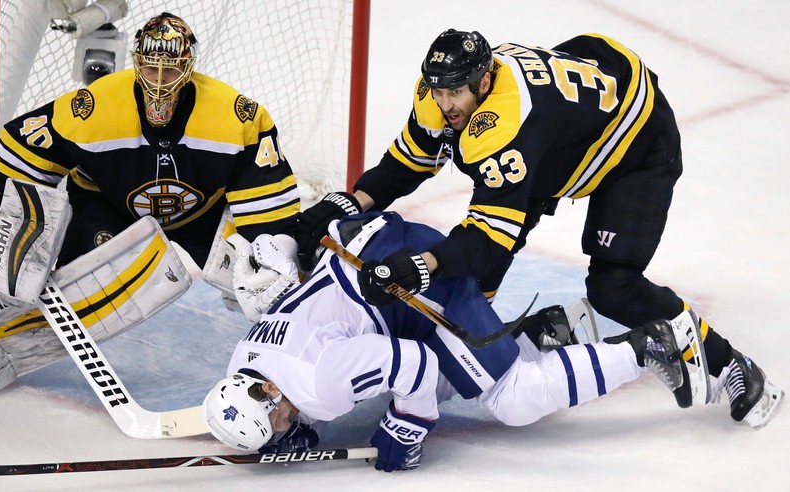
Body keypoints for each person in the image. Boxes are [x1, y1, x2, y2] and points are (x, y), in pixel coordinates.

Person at [294, 30, 783, 427]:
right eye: (439, 91)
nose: (446, 105)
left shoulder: (507, 126)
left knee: (614, 285)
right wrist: (346, 200)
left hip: (636, 138)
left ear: (484, 81)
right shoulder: (444, 92)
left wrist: (423, 264)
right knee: (469, 287)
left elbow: (485, 241)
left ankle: (729, 365)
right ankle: (548, 332)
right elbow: (404, 164)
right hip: (573, 108)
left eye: (455, 92)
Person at [203, 212, 770, 473]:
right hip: (370, 255)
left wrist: (406, 428)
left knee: (513, 398)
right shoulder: (247, 361)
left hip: (404, 279)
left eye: (278, 422)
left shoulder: (318, 383)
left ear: (273, 397)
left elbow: (415, 366)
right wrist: (307, 424)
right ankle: (543, 334)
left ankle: (654, 345)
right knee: (463, 378)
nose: (285, 428)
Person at [0, 12, 301, 396]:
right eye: (151, 69)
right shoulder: (94, 107)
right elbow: (16, 150)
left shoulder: (236, 114)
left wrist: (270, 255)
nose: (159, 81)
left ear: (188, 67)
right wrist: (32, 228)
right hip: (106, 207)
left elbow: (268, 196)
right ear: (137, 63)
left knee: (272, 278)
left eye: (170, 69)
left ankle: (288, 378)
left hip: (202, 213)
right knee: (92, 292)